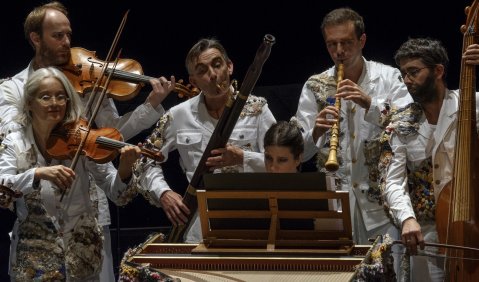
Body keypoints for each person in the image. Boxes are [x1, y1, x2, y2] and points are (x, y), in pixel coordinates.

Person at [0, 2, 174, 280]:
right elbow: (13, 135)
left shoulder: (87, 80)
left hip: (86, 216)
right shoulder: (11, 87)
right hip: (37, 234)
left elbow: (109, 133)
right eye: (58, 36)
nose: (67, 43)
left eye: (69, 35)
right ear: (36, 38)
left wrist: (150, 105)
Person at [0, 67, 141, 281]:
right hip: (33, 262)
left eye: (60, 96)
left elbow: (118, 194)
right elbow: (2, 186)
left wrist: (124, 169)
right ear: (29, 102)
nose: (55, 103)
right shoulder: (15, 142)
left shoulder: (82, 139)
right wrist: (37, 173)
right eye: (45, 97)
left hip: (81, 257)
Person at [131, 37, 277, 243]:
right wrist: (163, 193)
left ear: (230, 66)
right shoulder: (179, 115)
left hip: (255, 223)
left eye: (217, 65)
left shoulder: (258, 109)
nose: (213, 74)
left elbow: (285, 164)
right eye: (202, 71)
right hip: (200, 230)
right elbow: (143, 160)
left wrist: (243, 157)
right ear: (193, 81)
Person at [294, 7, 412, 245]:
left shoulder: (389, 77)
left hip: (382, 207)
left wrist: (370, 104)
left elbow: (409, 128)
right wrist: (316, 132)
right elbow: (299, 155)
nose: (339, 51)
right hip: (334, 208)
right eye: (332, 44)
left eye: (346, 42)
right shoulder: (314, 85)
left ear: (362, 40)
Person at [379, 38, 479, 281]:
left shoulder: (472, 105)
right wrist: (407, 218)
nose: (407, 80)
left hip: (473, 225)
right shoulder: (401, 123)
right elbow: (392, 181)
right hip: (427, 234)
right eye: (403, 73)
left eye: (414, 72)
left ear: (438, 71)